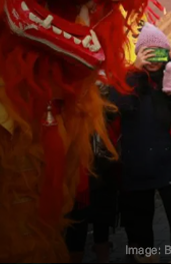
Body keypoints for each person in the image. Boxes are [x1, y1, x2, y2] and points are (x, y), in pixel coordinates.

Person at [109, 24, 171, 264]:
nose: (153, 59)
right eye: (147, 53)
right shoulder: (127, 81)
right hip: (136, 166)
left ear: (166, 55)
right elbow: (115, 106)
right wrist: (134, 71)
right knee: (139, 231)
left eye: (158, 53)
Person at [64, 107, 120, 263]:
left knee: (101, 222)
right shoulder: (73, 110)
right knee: (77, 226)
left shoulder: (106, 108)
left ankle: (103, 257)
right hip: (80, 175)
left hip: (103, 173)